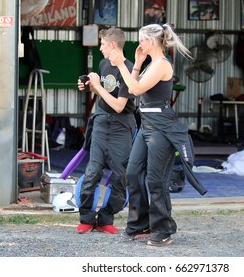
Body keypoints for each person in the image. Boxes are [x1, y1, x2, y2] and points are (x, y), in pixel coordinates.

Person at [109, 23, 192, 246]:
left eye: (141, 40)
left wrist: (120, 64)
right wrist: (135, 64)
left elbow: (135, 90)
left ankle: (163, 229)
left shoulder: (161, 65)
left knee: (156, 179)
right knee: (133, 173)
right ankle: (140, 223)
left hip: (161, 127)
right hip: (147, 124)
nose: (139, 44)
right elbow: (132, 87)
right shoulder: (150, 64)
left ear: (151, 41)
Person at [76, 27, 136, 234]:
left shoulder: (129, 69)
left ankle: (105, 219)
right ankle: (86, 218)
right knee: (93, 171)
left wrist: (98, 88)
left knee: (121, 175)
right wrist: (88, 85)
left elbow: (119, 105)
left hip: (121, 125)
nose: (100, 47)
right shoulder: (103, 64)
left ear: (112, 45)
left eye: (102, 43)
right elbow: (103, 94)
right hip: (101, 122)